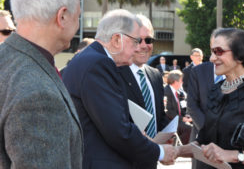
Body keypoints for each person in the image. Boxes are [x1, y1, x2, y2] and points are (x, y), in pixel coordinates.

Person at [62, 9, 177, 169]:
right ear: (117, 39)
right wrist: (160, 152)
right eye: (136, 41)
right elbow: (118, 131)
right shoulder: (99, 65)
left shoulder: (89, 59)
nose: (138, 48)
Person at [0, 0, 82, 168]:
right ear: (62, 16)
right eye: (78, 16)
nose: (78, 25)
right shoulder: (38, 94)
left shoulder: (7, 59)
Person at [177, 28, 244, 169]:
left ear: (240, 56)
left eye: (218, 51)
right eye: (211, 52)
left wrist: (231, 155)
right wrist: (177, 151)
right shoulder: (216, 90)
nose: (211, 58)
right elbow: (203, 140)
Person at [118, 14, 170, 168]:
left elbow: (159, 115)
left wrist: (169, 132)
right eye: (137, 40)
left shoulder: (155, 75)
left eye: (148, 40)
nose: (143, 45)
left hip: (151, 161)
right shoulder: (114, 73)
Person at [187, 28, 225, 169]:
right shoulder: (198, 71)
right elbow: (192, 104)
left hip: (228, 142)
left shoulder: (237, 72)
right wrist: (209, 131)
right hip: (201, 138)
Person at [164, 70, 192, 145]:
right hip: (169, 121)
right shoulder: (166, 91)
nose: (182, 82)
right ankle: (180, 148)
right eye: (181, 81)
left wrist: (186, 115)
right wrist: (182, 118)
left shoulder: (179, 92)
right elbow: (168, 111)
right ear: (175, 82)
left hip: (177, 119)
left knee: (194, 124)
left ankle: (181, 146)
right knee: (188, 128)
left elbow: (182, 107)